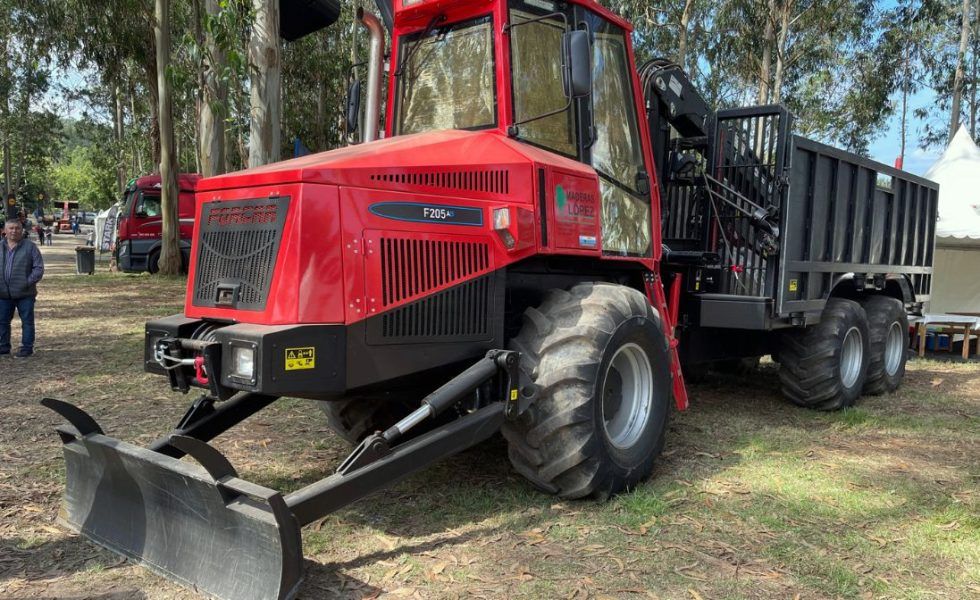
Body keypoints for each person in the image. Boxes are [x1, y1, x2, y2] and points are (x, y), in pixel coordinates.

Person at [1, 217, 44, 357]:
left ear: (22, 230)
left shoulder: (30, 247)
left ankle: (27, 348)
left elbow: (38, 268)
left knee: (27, 322)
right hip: (3, 294)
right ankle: (3, 347)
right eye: (11, 228)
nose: (14, 231)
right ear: (5, 231)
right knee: (2, 322)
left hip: (25, 294)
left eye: (17, 228)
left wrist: (26, 282)